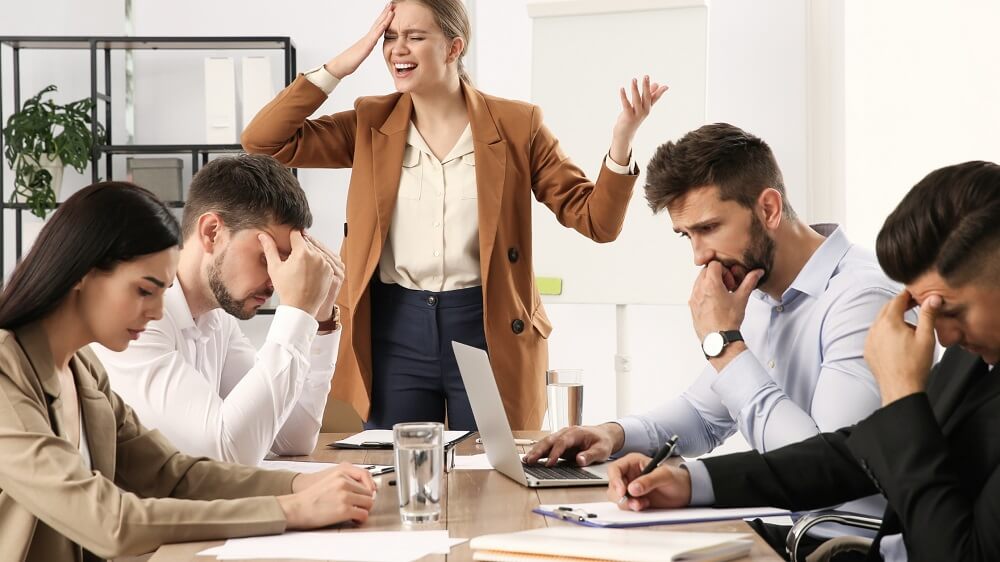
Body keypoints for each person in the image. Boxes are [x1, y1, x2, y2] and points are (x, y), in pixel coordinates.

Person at [241, 0, 667, 430]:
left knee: (492, 472)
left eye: (415, 37)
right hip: (394, 328)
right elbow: (263, 140)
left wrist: (622, 140)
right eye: (390, 37)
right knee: (397, 473)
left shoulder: (518, 125)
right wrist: (341, 65)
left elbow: (597, 221)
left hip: (487, 326)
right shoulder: (372, 122)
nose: (396, 49)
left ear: (452, 47)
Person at [605, 161, 1000, 562]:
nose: (942, 336)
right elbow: (845, 455)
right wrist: (688, 481)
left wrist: (902, 400)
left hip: (837, 540)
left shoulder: (862, 294)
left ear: (769, 210)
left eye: (950, 310)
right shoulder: (970, 361)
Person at [524, 123, 898, 537]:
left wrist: (724, 346)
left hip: (846, 543)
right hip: (792, 532)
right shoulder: (757, 292)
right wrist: (611, 435)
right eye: (687, 235)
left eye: (708, 228)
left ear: (769, 209)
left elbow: (826, 473)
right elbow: (703, 416)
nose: (699, 256)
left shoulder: (862, 298)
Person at [0, 182, 375, 562]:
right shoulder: (5, 371)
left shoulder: (83, 372)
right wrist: (291, 509)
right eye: (145, 291)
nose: (159, 312)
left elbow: (174, 475)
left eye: (163, 292)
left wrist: (302, 484)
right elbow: (111, 522)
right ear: (82, 273)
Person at [93, 154, 344, 465]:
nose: (277, 282)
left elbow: (292, 437)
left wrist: (320, 320)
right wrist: (296, 311)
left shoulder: (216, 320)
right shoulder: (138, 319)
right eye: (267, 258)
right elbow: (228, 451)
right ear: (212, 232)